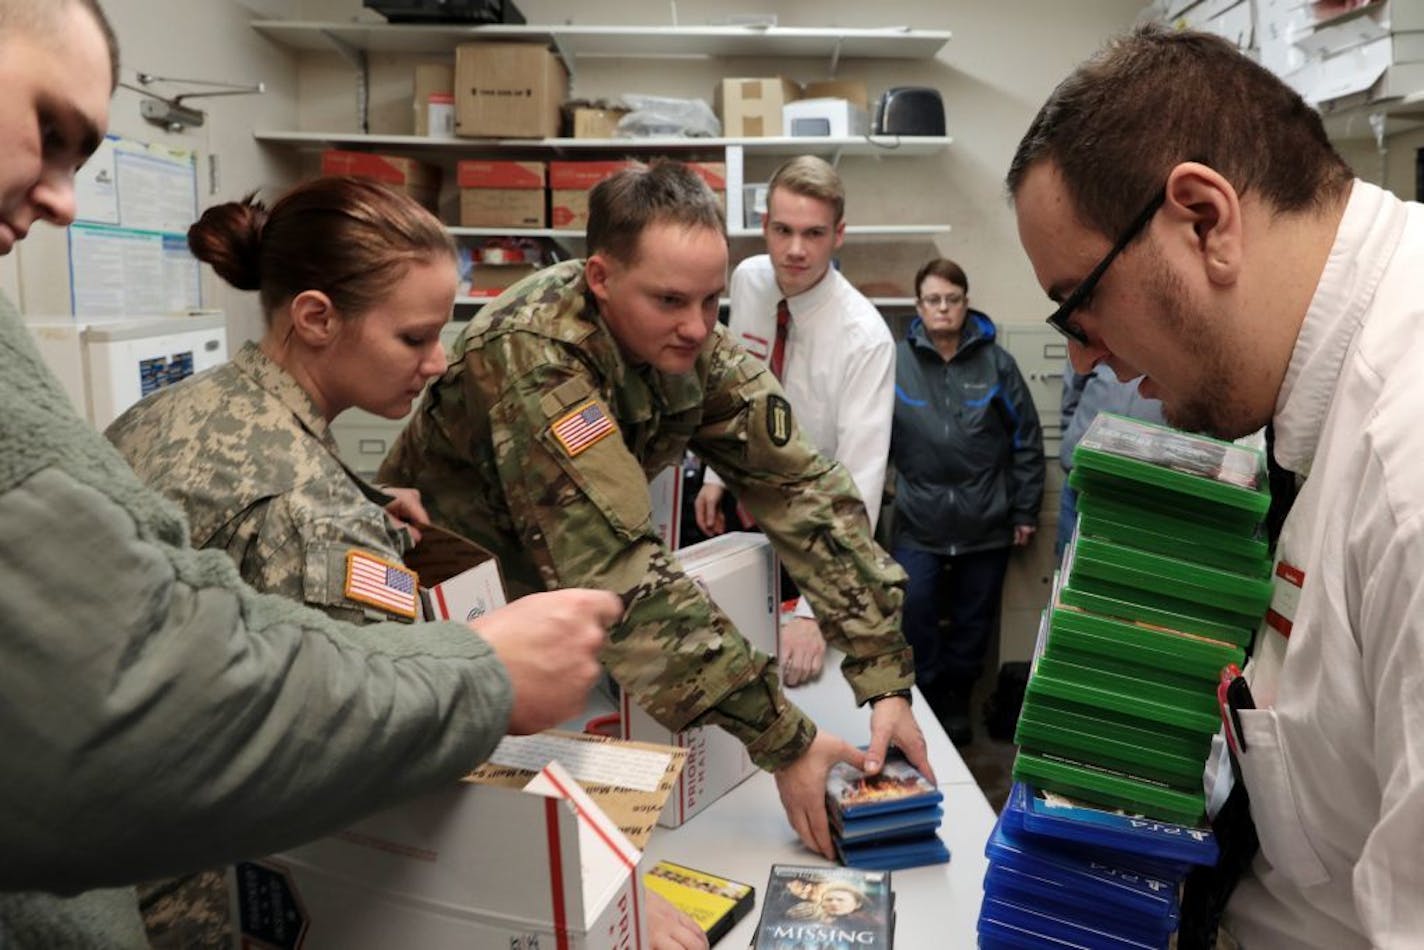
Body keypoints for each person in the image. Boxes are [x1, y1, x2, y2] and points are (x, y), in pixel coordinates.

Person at [0, 2, 616, 946]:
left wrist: (368, 511)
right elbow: (380, 761)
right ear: (319, 318)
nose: (438, 360)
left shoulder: (192, 404)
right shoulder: (302, 504)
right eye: (414, 335)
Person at [379, 159, 933, 862]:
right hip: (446, 624)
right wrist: (784, 739)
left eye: (711, 301)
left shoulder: (690, 342)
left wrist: (884, 677)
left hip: (557, 625)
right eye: (671, 301)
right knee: (492, 858)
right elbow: (618, 570)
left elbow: (804, 492)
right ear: (602, 279)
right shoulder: (536, 355)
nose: (699, 328)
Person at [1007, 24, 1424, 949]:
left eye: (1080, 306)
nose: (1083, 358)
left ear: (1204, 219)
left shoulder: (1409, 471)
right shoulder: (1316, 396)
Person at [693, 155, 895, 687]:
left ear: (839, 235)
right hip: (742, 512)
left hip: (813, 536)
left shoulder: (865, 339)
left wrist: (814, 612)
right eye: (782, 230)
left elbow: (859, 488)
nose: (795, 250)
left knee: (797, 684)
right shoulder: (751, 280)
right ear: (764, 226)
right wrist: (716, 476)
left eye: (813, 233)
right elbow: (733, 384)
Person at [888, 257, 1044, 746]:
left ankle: (957, 699)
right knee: (915, 607)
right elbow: (870, 436)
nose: (943, 308)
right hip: (919, 519)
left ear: (965, 303)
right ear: (918, 306)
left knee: (975, 619)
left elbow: (1027, 441)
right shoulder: (895, 361)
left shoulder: (998, 363)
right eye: (933, 300)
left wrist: (1023, 509)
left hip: (986, 519)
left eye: (952, 300)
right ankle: (928, 694)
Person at [1055, 360, 1164, 559]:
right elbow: (1073, 389)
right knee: (1069, 573)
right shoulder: (1100, 333)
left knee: (1126, 576)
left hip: (1146, 495)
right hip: (1081, 482)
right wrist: (1073, 436)